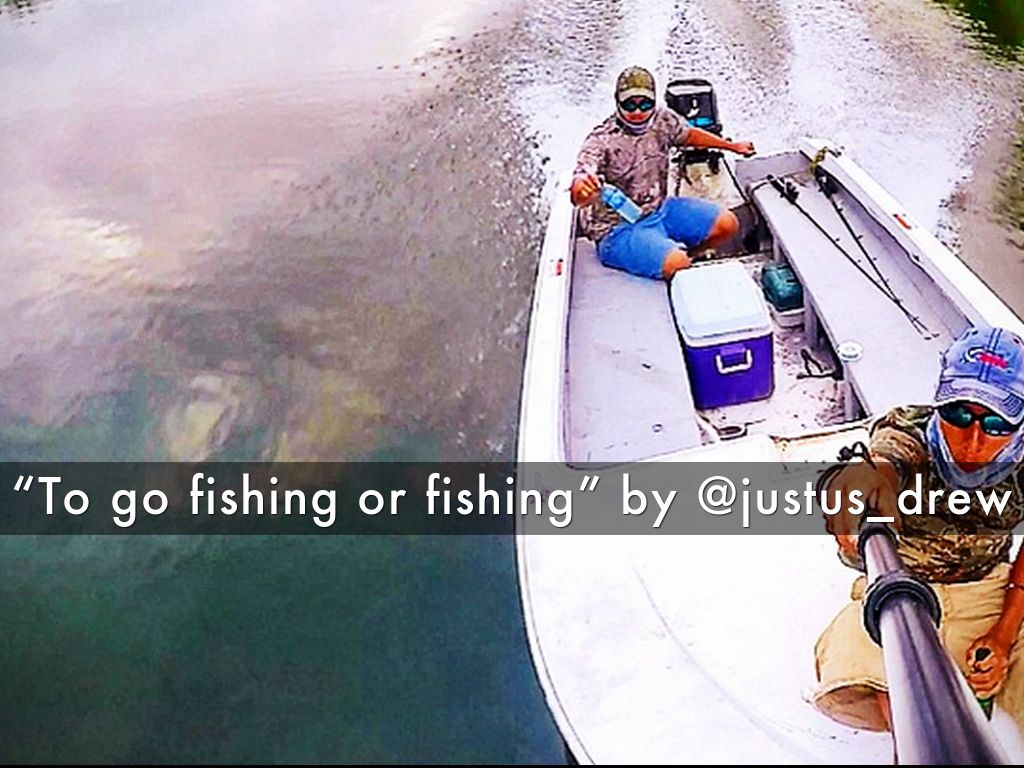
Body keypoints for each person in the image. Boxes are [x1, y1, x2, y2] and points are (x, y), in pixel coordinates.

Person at [814, 325, 1024, 734]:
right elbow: (885, 459)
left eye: (997, 423)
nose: (973, 439)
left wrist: (1003, 634)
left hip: (988, 589)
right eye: (958, 414)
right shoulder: (907, 429)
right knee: (866, 663)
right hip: (899, 584)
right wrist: (856, 482)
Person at [570, 66, 756, 280]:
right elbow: (579, 186)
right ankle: (674, 262)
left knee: (727, 224)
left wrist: (732, 147)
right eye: (629, 104)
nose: (637, 112)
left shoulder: (663, 119)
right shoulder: (600, 140)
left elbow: (688, 135)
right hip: (617, 229)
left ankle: (687, 258)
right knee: (678, 263)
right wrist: (583, 189)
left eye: (645, 104)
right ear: (617, 102)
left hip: (659, 210)